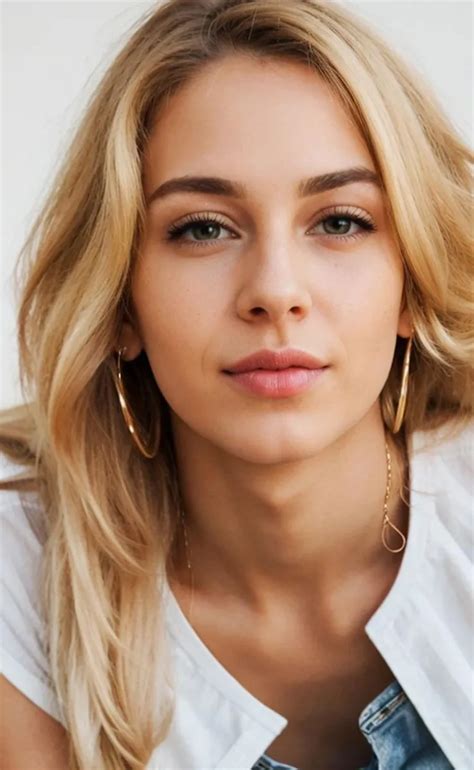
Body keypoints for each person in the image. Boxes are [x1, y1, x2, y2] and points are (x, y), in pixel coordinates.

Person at [0, 0, 472, 768]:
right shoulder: (21, 568)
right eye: (203, 228)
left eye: (340, 221)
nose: (275, 291)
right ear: (120, 305)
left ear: (412, 284)